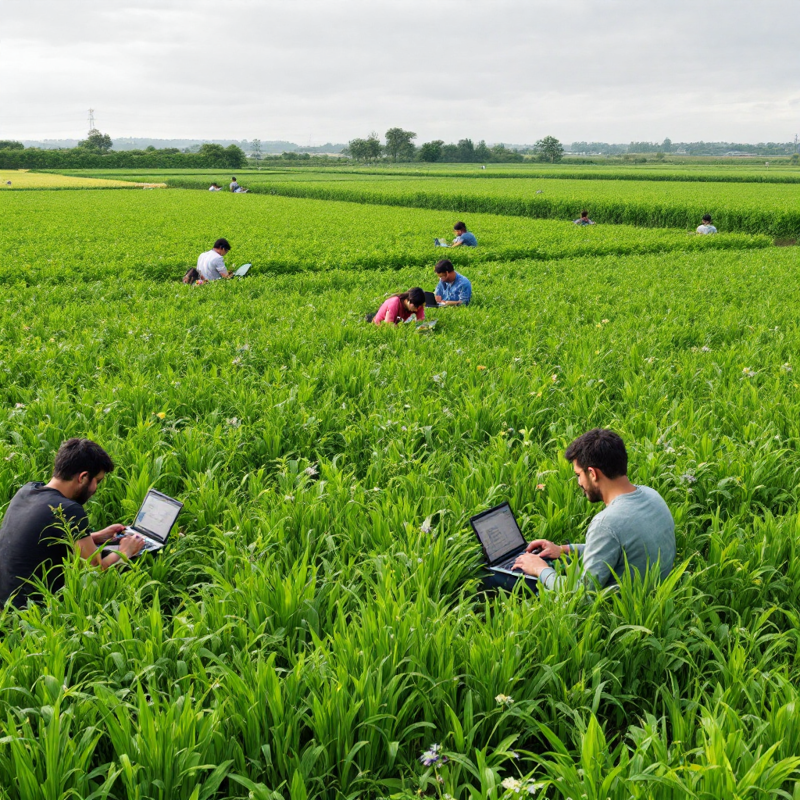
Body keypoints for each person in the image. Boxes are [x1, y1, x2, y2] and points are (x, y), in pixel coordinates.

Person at [513, 428, 675, 592]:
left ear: (592, 473)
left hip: (619, 611)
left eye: (578, 475)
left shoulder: (606, 524)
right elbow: (613, 550)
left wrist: (540, 569)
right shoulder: (652, 496)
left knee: (525, 586)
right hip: (656, 592)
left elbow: (581, 595)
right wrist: (563, 550)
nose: (579, 483)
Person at [0, 439, 145, 607]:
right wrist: (125, 551)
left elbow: (44, 538)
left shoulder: (27, 491)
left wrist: (96, 537)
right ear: (83, 477)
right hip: (26, 614)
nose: (96, 488)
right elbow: (96, 572)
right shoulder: (69, 509)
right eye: (97, 481)